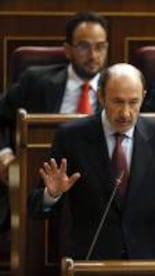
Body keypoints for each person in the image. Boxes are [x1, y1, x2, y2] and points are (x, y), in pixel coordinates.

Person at [28, 63, 155, 260]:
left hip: (146, 258)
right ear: (101, 96)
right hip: (91, 257)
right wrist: (51, 195)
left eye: (133, 102)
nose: (126, 113)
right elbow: (36, 208)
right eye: (118, 102)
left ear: (144, 97)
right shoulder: (71, 136)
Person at [0, 11, 109, 229]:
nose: (93, 55)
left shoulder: (117, 89)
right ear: (67, 50)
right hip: (34, 179)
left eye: (100, 47)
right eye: (84, 46)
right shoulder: (36, 81)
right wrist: (4, 153)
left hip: (97, 186)